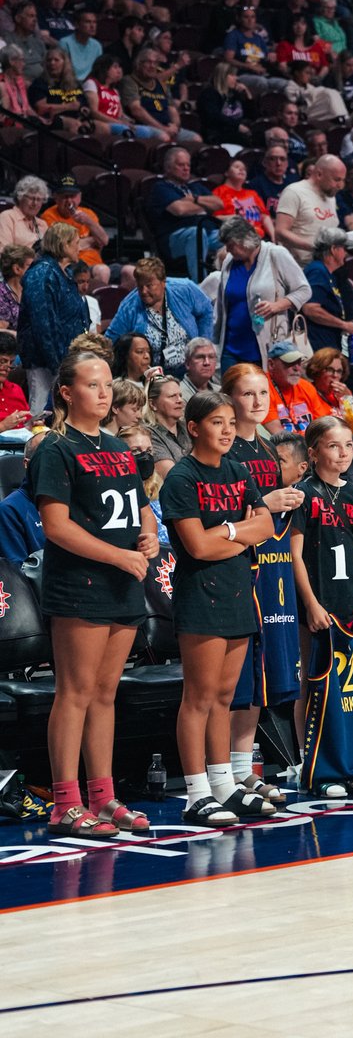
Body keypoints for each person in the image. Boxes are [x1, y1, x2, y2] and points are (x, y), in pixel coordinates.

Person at [31, 350, 159, 839]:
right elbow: (56, 526)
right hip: (80, 584)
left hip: (123, 580)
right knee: (76, 693)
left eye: (108, 384)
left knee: (106, 694)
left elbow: (141, 507)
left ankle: (103, 798)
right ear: (67, 392)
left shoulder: (119, 446)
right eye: (92, 385)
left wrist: (147, 536)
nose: (104, 393)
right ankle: (65, 802)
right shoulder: (54, 447)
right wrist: (119, 555)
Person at [159, 390, 276, 826]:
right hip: (200, 593)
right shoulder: (182, 478)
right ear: (194, 428)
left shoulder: (238, 470)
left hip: (237, 590)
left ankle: (223, 784)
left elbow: (266, 525)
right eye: (217, 423)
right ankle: (195, 793)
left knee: (226, 697)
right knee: (200, 697)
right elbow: (196, 545)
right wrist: (238, 530)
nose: (227, 430)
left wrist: (226, 533)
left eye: (231, 422)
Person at [222, 364, 306, 806]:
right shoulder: (224, 447)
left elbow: (274, 517)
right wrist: (267, 505)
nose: (257, 402)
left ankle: (242, 766)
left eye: (262, 393)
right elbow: (221, 516)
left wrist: (288, 501)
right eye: (247, 394)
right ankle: (219, 775)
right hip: (235, 568)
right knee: (232, 681)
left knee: (259, 680)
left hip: (271, 568)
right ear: (229, 399)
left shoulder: (270, 448)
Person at [290, 416, 353, 795]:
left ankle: (352, 762)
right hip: (318, 602)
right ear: (313, 453)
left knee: (352, 686)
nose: (343, 452)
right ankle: (310, 763)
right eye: (333, 446)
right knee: (313, 683)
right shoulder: (303, 493)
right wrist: (310, 603)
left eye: (348, 445)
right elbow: (294, 555)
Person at [212, 215, 311, 371]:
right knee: (229, 394)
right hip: (231, 347)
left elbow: (304, 290)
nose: (228, 250)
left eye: (231, 245)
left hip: (265, 347)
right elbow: (221, 305)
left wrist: (277, 305)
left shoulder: (276, 254)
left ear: (246, 240)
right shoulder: (229, 261)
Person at [18, 222, 90, 416]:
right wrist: (58, 365)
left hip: (64, 358)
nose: (79, 247)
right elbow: (43, 324)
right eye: (75, 243)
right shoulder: (41, 274)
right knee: (41, 412)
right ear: (63, 245)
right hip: (45, 361)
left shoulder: (63, 273)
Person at [105, 257, 214, 376]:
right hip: (152, 374)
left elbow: (206, 310)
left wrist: (203, 344)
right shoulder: (129, 306)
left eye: (149, 285)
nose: (143, 291)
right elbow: (111, 340)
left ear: (163, 282)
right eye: (139, 286)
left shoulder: (184, 289)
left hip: (189, 370)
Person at [146, 147, 223, 282]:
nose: (186, 168)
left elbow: (218, 203)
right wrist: (204, 205)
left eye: (188, 165)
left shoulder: (195, 188)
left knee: (235, 236)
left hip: (208, 233)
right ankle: (200, 285)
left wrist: (195, 200)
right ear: (168, 167)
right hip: (175, 239)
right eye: (181, 165)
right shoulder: (161, 188)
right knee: (196, 233)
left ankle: (232, 283)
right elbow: (179, 210)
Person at [40, 174, 111, 287]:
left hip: (94, 264)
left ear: (79, 197)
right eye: (65, 196)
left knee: (128, 270)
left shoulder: (87, 214)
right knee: (103, 270)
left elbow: (105, 240)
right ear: (56, 198)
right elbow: (61, 249)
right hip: (71, 266)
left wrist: (88, 221)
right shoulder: (49, 216)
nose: (69, 201)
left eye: (72, 196)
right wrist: (90, 241)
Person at [0, 430, 47, 561]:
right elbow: (18, 572)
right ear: (27, 463)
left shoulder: (75, 501)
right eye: (47, 457)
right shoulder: (9, 510)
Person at [263, 342, 326, 434]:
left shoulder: (306, 387)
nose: (297, 368)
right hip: (283, 445)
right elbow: (276, 433)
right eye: (290, 363)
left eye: (299, 363)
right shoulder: (262, 388)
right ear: (271, 364)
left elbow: (323, 426)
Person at [144, 374, 190, 479]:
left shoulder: (188, 427)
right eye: (172, 396)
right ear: (152, 404)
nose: (180, 400)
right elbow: (174, 477)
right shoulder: (147, 434)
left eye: (180, 395)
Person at [0, 176, 49, 252]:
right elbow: (4, 252)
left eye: (39, 199)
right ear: (20, 197)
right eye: (31, 198)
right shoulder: (7, 217)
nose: (35, 203)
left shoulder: (42, 224)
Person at [0, 243, 34, 334]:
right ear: (17, 269)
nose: (36, 270)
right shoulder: (1, 294)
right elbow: (2, 332)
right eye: (30, 266)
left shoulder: (33, 291)